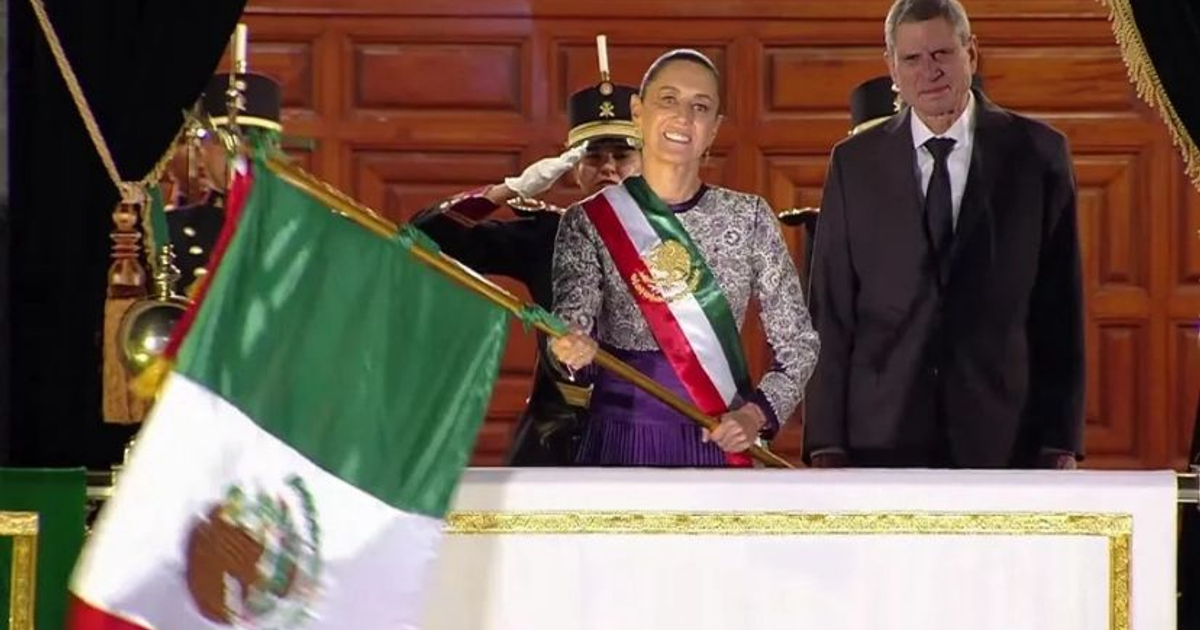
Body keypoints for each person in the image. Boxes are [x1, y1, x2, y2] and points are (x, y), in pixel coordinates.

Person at [804, 0, 1084, 469]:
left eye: (942, 54)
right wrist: (825, 443)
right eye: (912, 59)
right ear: (892, 66)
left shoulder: (1037, 154)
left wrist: (1060, 440)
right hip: (879, 437)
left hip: (1003, 435)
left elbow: (1060, 309)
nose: (928, 72)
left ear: (971, 53)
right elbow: (830, 312)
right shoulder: (854, 164)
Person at [550, 49, 819, 467]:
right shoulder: (589, 221)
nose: (683, 118)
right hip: (621, 446)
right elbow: (572, 326)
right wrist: (569, 348)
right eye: (668, 100)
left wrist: (754, 415)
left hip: (719, 440)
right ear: (638, 111)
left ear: (714, 129)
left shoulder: (749, 218)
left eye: (700, 107)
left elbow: (799, 345)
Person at [412, 51, 642, 466]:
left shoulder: (685, 242)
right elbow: (427, 237)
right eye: (593, 157)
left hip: (653, 434)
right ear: (573, 168)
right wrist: (509, 188)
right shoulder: (547, 235)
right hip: (559, 437)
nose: (608, 168)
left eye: (622, 157)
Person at [167, 71, 283, 294]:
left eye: (253, 141)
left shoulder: (298, 225)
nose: (240, 153)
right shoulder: (173, 231)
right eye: (223, 142)